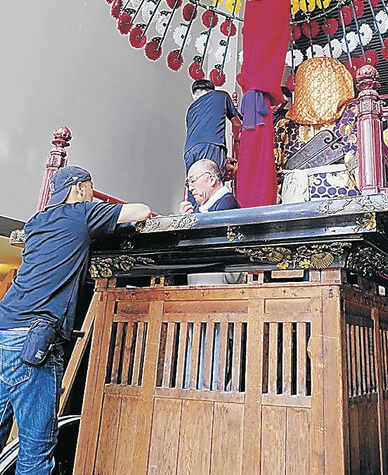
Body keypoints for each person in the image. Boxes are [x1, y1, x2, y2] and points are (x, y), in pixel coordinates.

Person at [0, 166, 150, 475]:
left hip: (4, 331)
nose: (93, 194)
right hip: (34, 341)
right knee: (35, 450)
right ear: (79, 188)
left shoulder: (36, 222)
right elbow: (142, 211)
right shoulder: (80, 214)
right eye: (92, 189)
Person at [183, 79, 241, 177]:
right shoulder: (221, 95)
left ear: (194, 96)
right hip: (212, 145)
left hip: (189, 152)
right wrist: (236, 138)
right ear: (212, 90)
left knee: (195, 186)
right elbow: (237, 123)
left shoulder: (190, 109)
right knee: (214, 182)